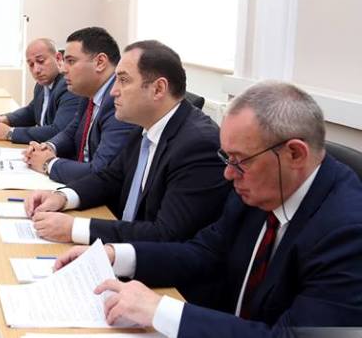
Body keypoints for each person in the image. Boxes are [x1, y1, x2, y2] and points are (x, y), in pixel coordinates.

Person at [55, 81, 362, 337]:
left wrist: (160, 310)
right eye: (226, 158)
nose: (228, 173)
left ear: (295, 154)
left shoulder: (348, 231)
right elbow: (205, 252)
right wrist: (114, 255)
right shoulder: (264, 187)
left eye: (240, 160)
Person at [24, 40, 229, 245]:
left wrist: (75, 229)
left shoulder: (198, 145)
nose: (113, 91)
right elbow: (111, 178)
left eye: (123, 80)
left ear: (158, 89)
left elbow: (166, 234)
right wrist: (63, 197)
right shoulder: (146, 125)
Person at [23, 27, 137, 184]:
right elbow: (71, 132)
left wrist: (48, 163)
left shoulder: (119, 102)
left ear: (100, 62)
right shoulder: (88, 93)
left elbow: (101, 171)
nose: (63, 69)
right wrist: (48, 147)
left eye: (71, 61)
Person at [0, 38, 81, 144]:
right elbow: (31, 111)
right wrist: (5, 119)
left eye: (41, 61)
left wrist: (10, 133)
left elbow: (58, 131)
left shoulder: (69, 86)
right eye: (31, 64)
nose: (36, 70)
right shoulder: (41, 85)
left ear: (58, 58)